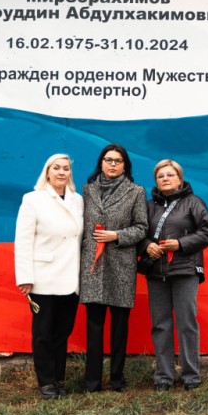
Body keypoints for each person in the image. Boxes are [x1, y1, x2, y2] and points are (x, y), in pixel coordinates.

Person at [140, 159, 208, 391]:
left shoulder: (193, 202)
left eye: (170, 175)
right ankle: (164, 376)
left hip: (185, 270)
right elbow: (138, 231)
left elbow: (207, 231)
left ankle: (191, 376)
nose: (165, 179)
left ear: (180, 179)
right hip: (156, 272)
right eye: (160, 176)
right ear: (156, 181)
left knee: (186, 323)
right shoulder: (149, 206)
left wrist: (180, 244)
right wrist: (145, 245)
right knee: (160, 324)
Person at [14, 153, 83, 399]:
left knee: (62, 332)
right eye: (57, 168)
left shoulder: (78, 200)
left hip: (71, 277)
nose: (62, 172)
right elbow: (23, 240)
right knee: (43, 333)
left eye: (66, 168)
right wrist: (24, 276)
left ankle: (59, 379)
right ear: (48, 172)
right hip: (43, 277)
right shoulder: (33, 200)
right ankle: (46, 382)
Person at [80, 144, 147, 392]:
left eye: (118, 161)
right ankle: (92, 381)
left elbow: (141, 227)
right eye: (108, 160)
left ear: (125, 166)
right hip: (93, 267)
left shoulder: (135, 192)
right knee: (94, 326)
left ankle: (117, 378)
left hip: (121, 266)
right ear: (101, 163)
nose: (112, 164)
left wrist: (116, 235)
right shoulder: (87, 191)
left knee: (119, 327)